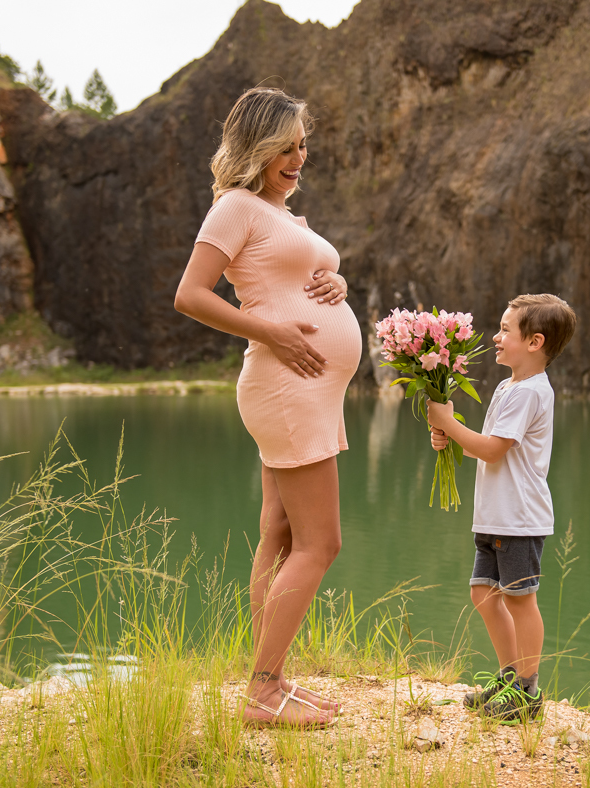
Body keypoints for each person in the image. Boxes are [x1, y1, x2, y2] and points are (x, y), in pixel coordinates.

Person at [174, 87, 361, 729]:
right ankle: (262, 691)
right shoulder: (235, 208)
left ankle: (273, 679)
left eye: (303, 145)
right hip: (287, 386)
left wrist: (338, 282)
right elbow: (191, 295)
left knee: (281, 535)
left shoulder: (281, 216)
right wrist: (271, 331)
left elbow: (294, 282)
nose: (298, 157)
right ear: (256, 147)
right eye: (285, 146)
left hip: (309, 389)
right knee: (321, 542)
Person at [426, 294, 577, 723]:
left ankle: (527, 690)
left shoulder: (530, 393)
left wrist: (451, 423)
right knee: (483, 594)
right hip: (496, 514)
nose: (495, 336)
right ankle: (509, 676)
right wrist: (449, 436)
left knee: (520, 601)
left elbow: (492, 450)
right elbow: (491, 449)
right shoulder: (508, 387)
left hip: (519, 517)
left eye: (505, 330)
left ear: (534, 342)